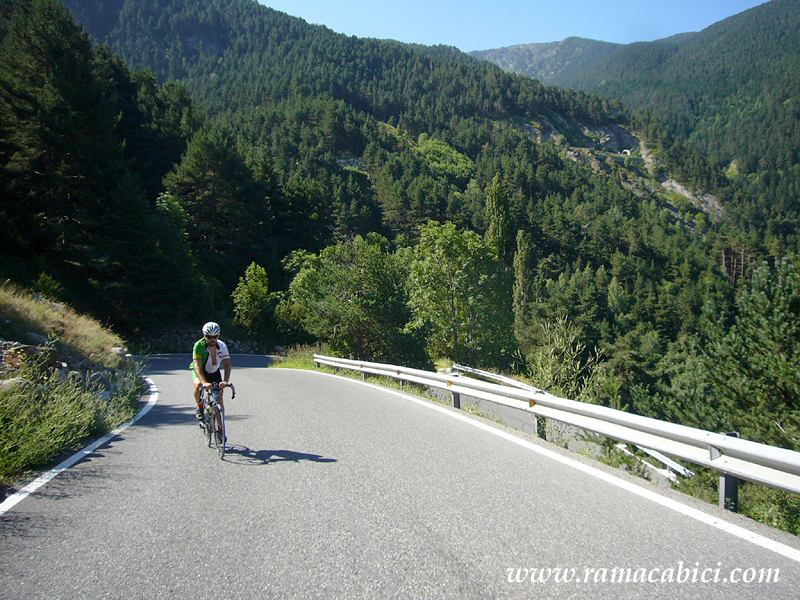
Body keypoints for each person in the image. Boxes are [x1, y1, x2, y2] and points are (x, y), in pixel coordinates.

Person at [192, 322, 232, 423]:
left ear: (218, 335)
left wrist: (225, 381)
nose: (212, 339)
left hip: (214, 371)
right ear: (204, 335)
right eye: (209, 337)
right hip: (201, 370)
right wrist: (204, 382)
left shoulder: (222, 346)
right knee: (198, 384)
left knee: (219, 399)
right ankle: (200, 406)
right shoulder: (199, 346)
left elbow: (227, 364)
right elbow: (197, 366)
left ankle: (220, 428)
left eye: (215, 336)